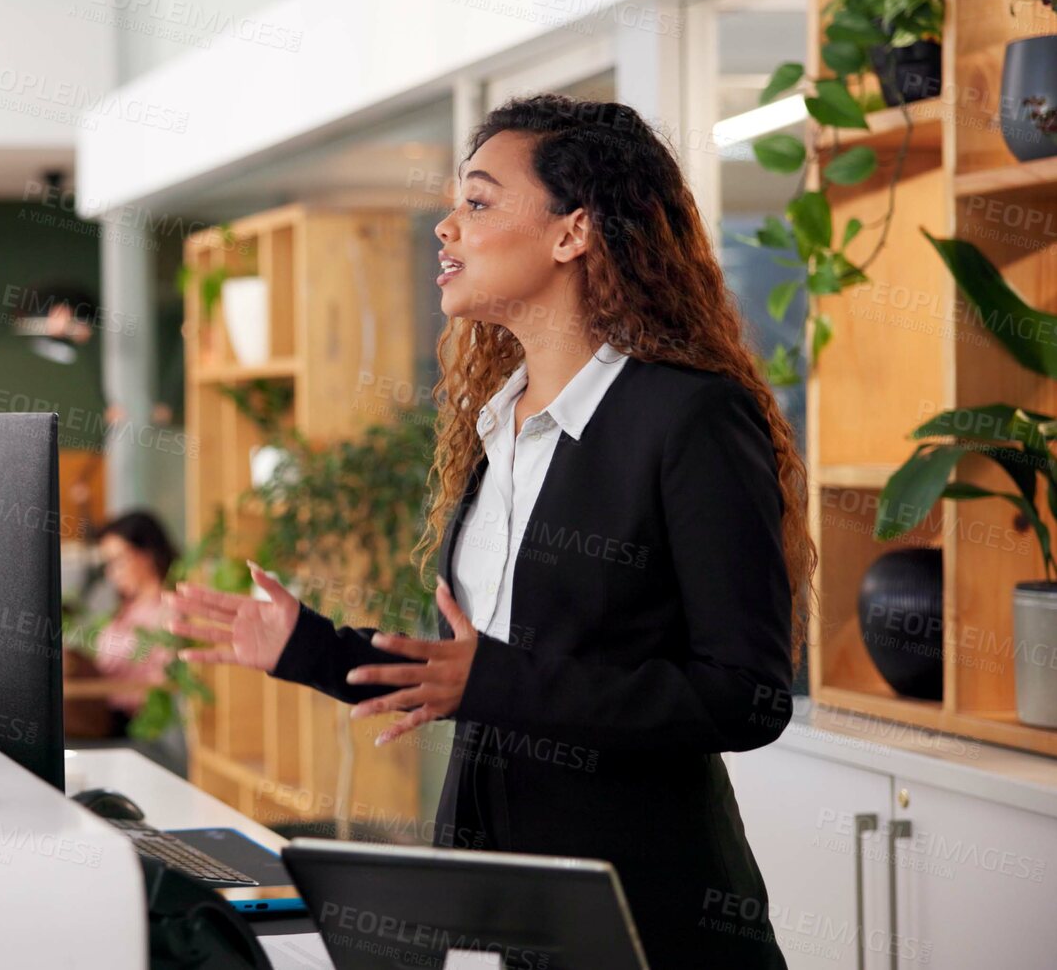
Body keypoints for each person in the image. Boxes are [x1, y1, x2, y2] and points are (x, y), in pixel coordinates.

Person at [169, 95, 810, 969]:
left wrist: (500, 678)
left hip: (652, 920)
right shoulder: (494, 426)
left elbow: (747, 694)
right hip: (501, 909)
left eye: (476, 201)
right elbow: (469, 674)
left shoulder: (687, 417)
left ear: (570, 233)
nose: (445, 227)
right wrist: (308, 649)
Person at [83, 511, 180, 729]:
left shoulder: (170, 609)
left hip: (133, 725)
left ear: (147, 554)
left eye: (117, 561)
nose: (111, 573)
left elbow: (161, 683)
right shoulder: (125, 609)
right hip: (103, 715)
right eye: (108, 564)